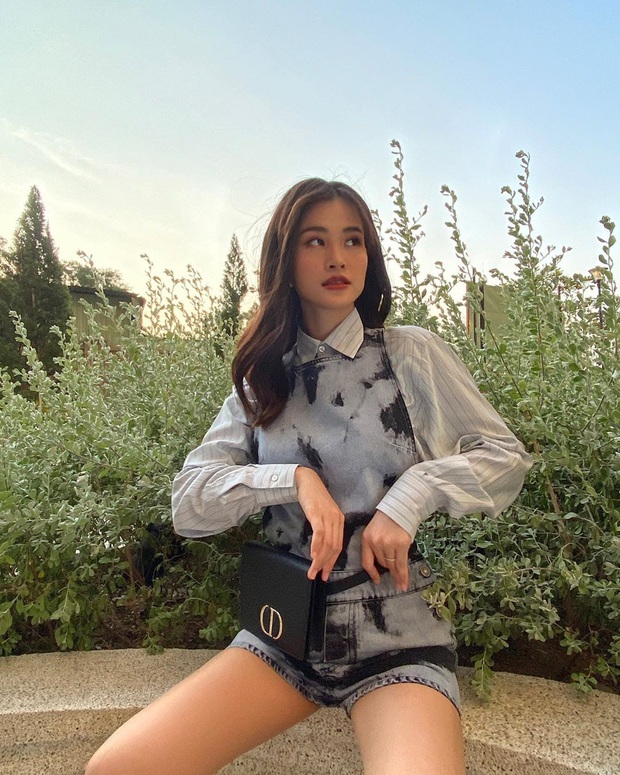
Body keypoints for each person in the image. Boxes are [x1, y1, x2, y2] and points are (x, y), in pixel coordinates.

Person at [86, 178, 532, 775]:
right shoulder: (263, 381)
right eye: (315, 241)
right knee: (119, 767)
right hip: (283, 634)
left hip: (395, 635)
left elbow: (504, 456)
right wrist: (291, 478)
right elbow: (189, 505)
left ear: (369, 257)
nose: (337, 258)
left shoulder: (408, 355)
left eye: (353, 240)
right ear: (285, 260)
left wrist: (414, 493)